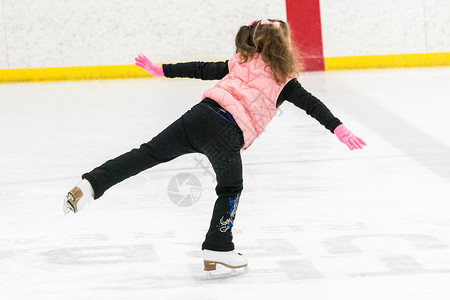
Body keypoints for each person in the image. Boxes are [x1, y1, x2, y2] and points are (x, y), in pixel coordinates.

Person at [63, 18, 366, 274]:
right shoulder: (285, 79)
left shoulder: (241, 60)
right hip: (227, 134)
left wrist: (160, 70)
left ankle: (89, 185)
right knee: (230, 189)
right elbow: (314, 105)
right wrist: (338, 129)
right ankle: (218, 246)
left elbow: (201, 68)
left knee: (148, 153)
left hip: (200, 115)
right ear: (284, 45)